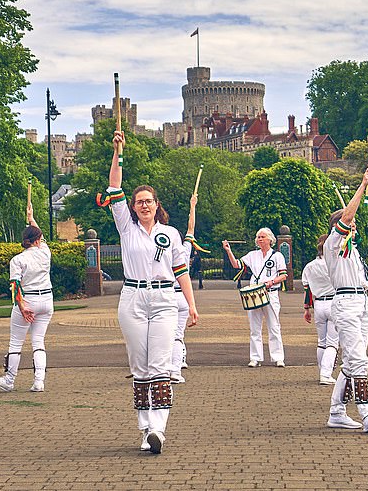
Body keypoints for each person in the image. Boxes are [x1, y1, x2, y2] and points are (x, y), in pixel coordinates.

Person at [101, 130, 198, 454]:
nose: (144, 205)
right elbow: (114, 186)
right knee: (139, 367)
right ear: (133, 206)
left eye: (149, 201)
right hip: (132, 299)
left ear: (157, 206)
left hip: (164, 300)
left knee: (160, 364)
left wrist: (192, 305)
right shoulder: (126, 227)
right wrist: (118, 152)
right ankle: (144, 429)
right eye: (139, 201)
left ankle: (158, 428)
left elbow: (181, 272)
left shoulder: (170, 234)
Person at [324, 167, 368, 433]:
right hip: (345, 302)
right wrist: (362, 185)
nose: (354, 227)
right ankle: (366, 412)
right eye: (351, 225)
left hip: (360, 303)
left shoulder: (354, 251)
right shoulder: (333, 245)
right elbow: (348, 215)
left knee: (351, 362)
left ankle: (337, 412)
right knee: (359, 360)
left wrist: (366, 313)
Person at [0, 203, 53, 393]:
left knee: (16, 342)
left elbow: (15, 285)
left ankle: (9, 380)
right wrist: (31, 217)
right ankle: (39, 381)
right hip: (47, 300)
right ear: (37, 240)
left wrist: (22, 306)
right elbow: (39, 235)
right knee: (38, 341)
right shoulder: (45, 252)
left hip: (28, 300)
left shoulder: (17, 260)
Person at [222, 229, 288, 368]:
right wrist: (229, 251)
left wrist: (271, 282)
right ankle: (255, 358)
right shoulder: (252, 255)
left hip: (271, 293)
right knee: (254, 328)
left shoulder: (277, 256)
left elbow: (283, 275)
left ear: (270, 239)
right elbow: (236, 265)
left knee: (274, 326)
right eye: (258, 237)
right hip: (254, 294)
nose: (259, 239)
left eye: (262, 237)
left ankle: (278, 357)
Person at [171, 193, 202, 383]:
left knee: (162, 335)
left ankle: (162, 369)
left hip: (166, 295)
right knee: (176, 335)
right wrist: (193, 205)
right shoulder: (185, 249)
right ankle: (177, 368)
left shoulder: (162, 251)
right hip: (182, 297)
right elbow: (191, 227)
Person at [302, 234, 338, 385]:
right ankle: (326, 373)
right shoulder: (335, 264)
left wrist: (306, 308)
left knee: (321, 341)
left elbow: (307, 288)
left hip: (318, 304)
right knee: (332, 342)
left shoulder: (310, 266)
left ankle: (321, 370)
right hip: (334, 302)